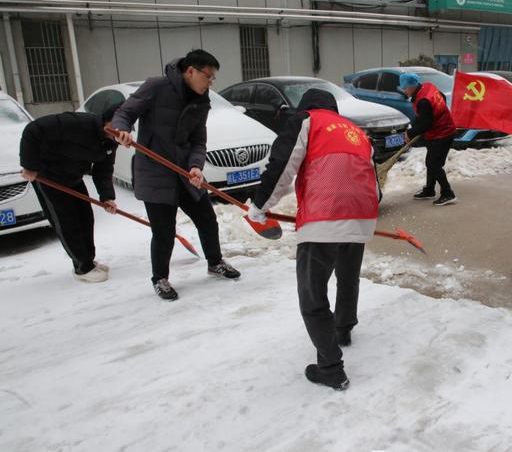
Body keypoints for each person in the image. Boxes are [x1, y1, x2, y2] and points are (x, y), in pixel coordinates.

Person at [247, 89, 379, 391]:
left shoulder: (305, 120)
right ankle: (343, 329)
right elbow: (374, 179)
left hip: (324, 215)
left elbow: (282, 165)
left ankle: (330, 367)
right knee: (348, 276)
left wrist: (259, 207)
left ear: (306, 107)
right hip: (361, 213)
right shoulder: (356, 132)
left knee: (312, 293)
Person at [111, 49, 240, 301]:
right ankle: (159, 278)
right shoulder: (156, 88)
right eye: (209, 76)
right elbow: (124, 113)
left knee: (206, 219)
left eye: (213, 78)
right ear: (190, 71)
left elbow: (198, 141)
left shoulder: (201, 101)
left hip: (184, 173)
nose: (211, 82)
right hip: (155, 172)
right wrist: (121, 130)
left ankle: (215, 262)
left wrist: (195, 166)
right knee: (164, 231)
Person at [19, 106, 120, 283]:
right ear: (108, 121)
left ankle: (89, 260)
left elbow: (103, 169)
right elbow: (33, 130)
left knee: (86, 218)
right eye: (118, 125)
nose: (120, 131)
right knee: (66, 221)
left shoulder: (111, 140)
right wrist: (29, 165)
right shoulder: (77, 124)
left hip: (73, 177)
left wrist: (106, 197)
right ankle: (82, 267)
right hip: (48, 176)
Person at [399, 72, 457, 206]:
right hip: (439, 132)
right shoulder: (427, 87)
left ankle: (448, 193)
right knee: (431, 162)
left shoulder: (423, 101)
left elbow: (426, 123)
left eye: (405, 88)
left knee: (434, 164)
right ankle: (430, 189)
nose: (404, 91)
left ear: (413, 86)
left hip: (442, 133)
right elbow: (440, 97)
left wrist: (410, 133)